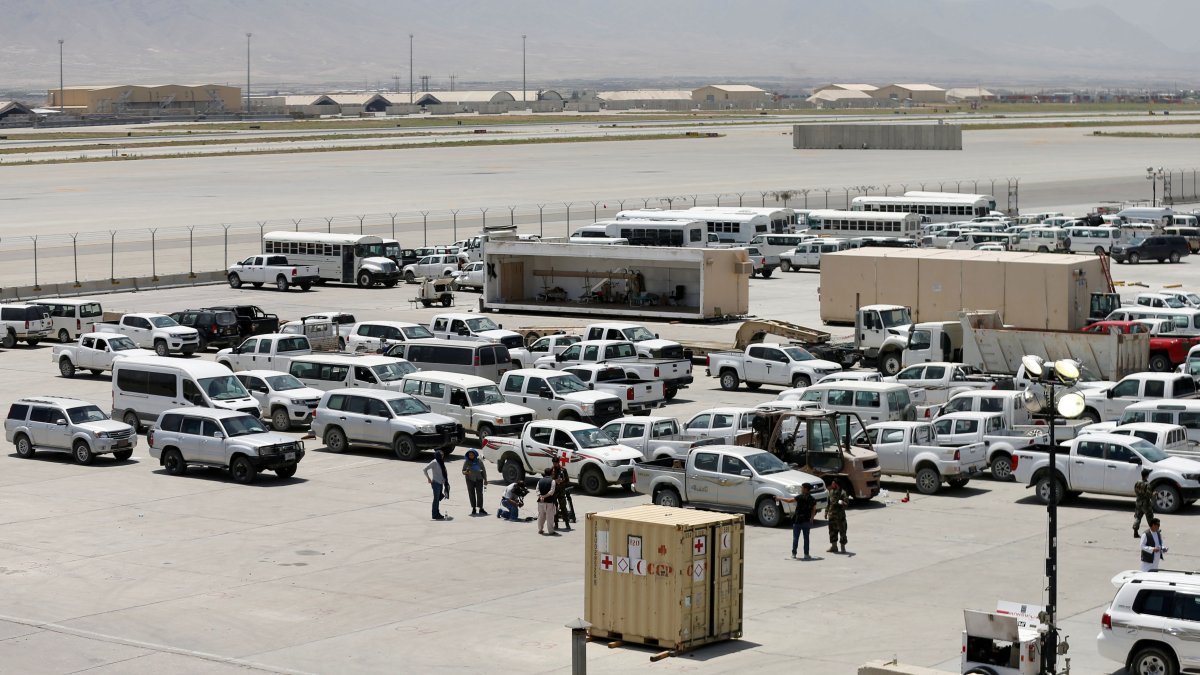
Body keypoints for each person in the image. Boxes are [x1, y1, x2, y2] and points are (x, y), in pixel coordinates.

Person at [791, 483, 818, 560]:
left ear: (806, 489)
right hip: (806, 521)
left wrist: (780, 498)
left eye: (802, 488)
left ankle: (794, 554)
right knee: (806, 539)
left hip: (797, 521)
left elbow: (790, 500)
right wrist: (812, 519)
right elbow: (814, 510)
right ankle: (806, 554)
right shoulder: (812, 499)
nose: (801, 489)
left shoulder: (800, 497)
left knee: (795, 538)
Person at [422, 449, 451, 521]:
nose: (442, 456)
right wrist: (428, 478)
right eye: (441, 455)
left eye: (443, 455)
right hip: (436, 483)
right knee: (436, 499)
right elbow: (424, 469)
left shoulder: (441, 462)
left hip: (440, 483)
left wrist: (445, 482)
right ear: (438, 455)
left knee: (437, 499)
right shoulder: (434, 462)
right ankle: (435, 514)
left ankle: (437, 513)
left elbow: (443, 473)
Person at [461, 449, 488, 516]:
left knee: (479, 494)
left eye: (472, 455)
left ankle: (481, 508)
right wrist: (466, 472)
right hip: (469, 480)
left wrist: (485, 479)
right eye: (469, 455)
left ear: (475, 455)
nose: (471, 456)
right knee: (471, 494)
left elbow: (483, 470)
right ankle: (473, 508)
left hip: (479, 479)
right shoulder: (466, 462)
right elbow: (463, 471)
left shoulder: (479, 461)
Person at [826, 479, 849, 554]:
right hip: (832, 516)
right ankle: (834, 547)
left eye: (833, 483)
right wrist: (826, 512)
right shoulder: (831, 492)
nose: (831, 485)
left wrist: (842, 503)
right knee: (832, 532)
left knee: (842, 532)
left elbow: (846, 504)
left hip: (840, 517)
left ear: (837, 484)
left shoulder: (843, 493)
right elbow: (829, 503)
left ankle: (843, 547)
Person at [552, 456, 575, 531]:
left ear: (558, 462)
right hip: (554, 491)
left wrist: (562, 481)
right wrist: (555, 481)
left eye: (556, 463)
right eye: (554, 463)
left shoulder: (563, 470)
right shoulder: (551, 470)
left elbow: (567, 480)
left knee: (563, 508)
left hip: (561, 491)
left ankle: (567, 524)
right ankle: (556, 524)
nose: (555, 464)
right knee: (554, 508)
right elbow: (549, 480)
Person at [536, 468, 557, 535]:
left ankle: (540, 529)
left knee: (541, 516)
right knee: (550, 517)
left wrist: (541, 496)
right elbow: (551, 492)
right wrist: (544, 496)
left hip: (540, 502)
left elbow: (537, 490)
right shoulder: (553, 481)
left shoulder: (540, 480)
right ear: (551, 473)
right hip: (549, 502)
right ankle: (551, 531)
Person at [1133, 469, 1154, 538]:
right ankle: (1154, 531)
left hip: (1138, 502)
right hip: (1146, 503)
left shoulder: (1137, 482)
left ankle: (1135, 531)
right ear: (1147, 476)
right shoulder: (1147, 484)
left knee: (1138, 517)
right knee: (1150, 517)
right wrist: (1154, 494)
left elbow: (1135, 491)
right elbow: (1149, 495)